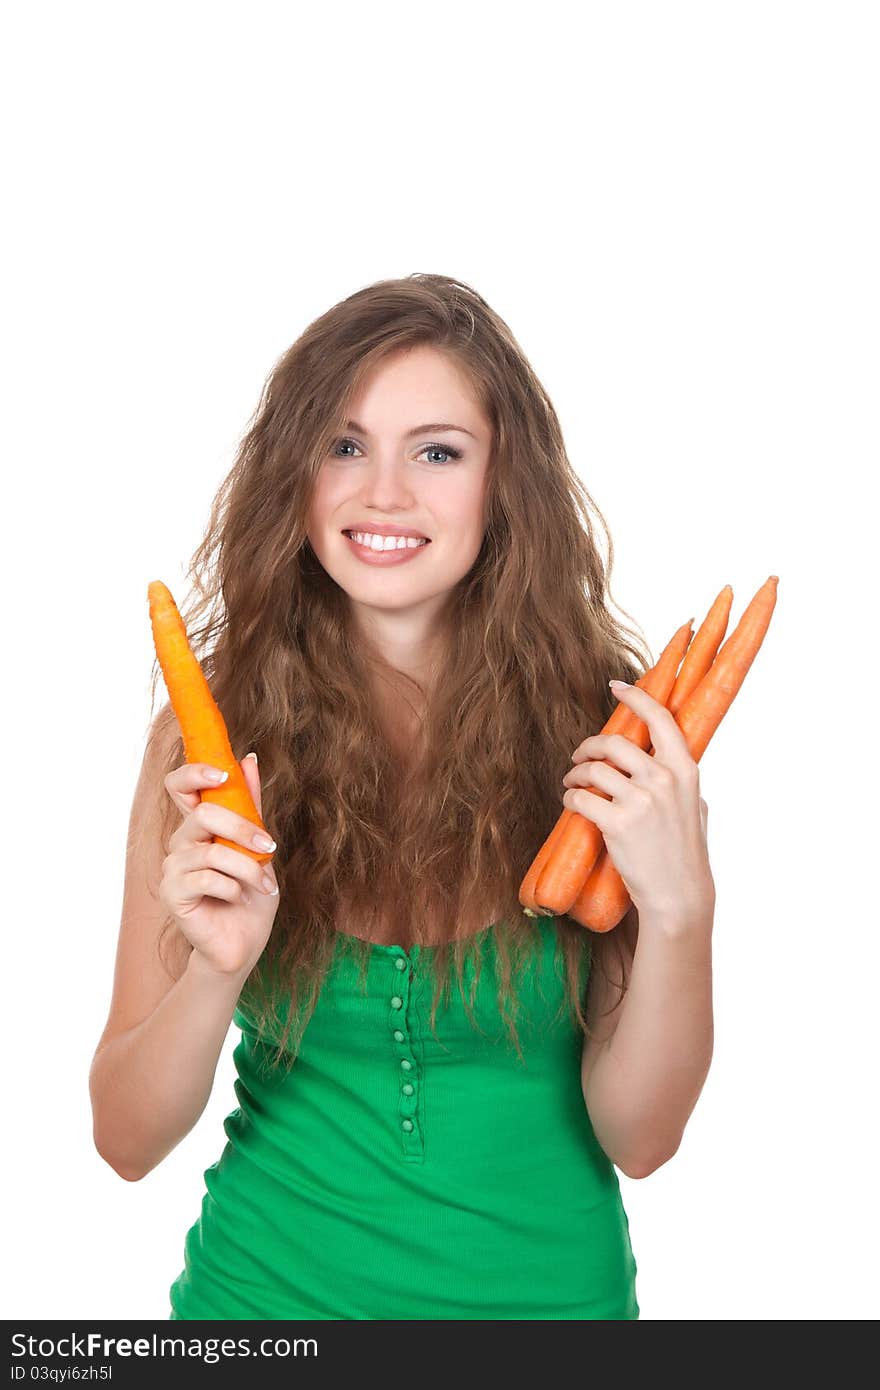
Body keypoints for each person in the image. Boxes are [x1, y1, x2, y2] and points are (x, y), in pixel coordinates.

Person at [89, 273, 715, 1321]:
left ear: (501, 482)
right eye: (342, 445)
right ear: (294, 476)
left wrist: (680, 913)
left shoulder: (606, 736)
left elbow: (640, 1140)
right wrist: (211, 970)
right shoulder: (211, 738)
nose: (382, 493)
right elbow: (124, 1138)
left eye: (436, 451)